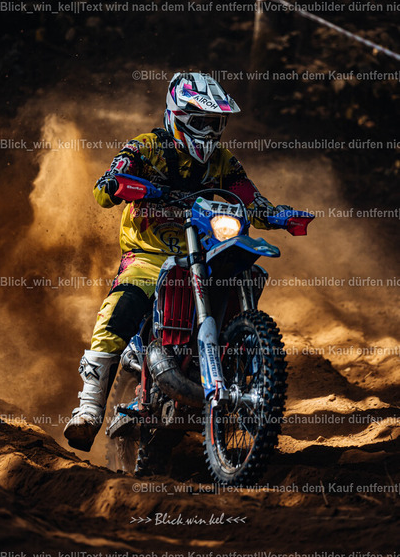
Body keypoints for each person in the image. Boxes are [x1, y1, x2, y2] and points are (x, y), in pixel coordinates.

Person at [63, 72, 291, 451]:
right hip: (149, 255)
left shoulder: (223, 161)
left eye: (217, 123)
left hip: (204, 251)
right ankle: (87, 410)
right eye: (202, 121)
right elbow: (106, 188)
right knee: (123, 304)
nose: (211, 131)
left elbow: (249, 197)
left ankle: (246, 374)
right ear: (179, 117)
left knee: (246, 273)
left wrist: (280, 214)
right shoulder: (147, 148)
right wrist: (118, 182)